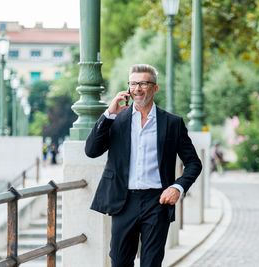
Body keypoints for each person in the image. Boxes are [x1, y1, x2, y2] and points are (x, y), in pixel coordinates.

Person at [85, 64, 202, 267]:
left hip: (157, 202)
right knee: (120, 262)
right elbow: (91, 150)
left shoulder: (172, 123)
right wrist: (109, 113)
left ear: (154, 88)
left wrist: (177, 187)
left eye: (143, 83)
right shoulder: (117, 120)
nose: (137, 88)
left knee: (151, 263)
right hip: (123, 201)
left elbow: (193, 163)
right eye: (133, 83)